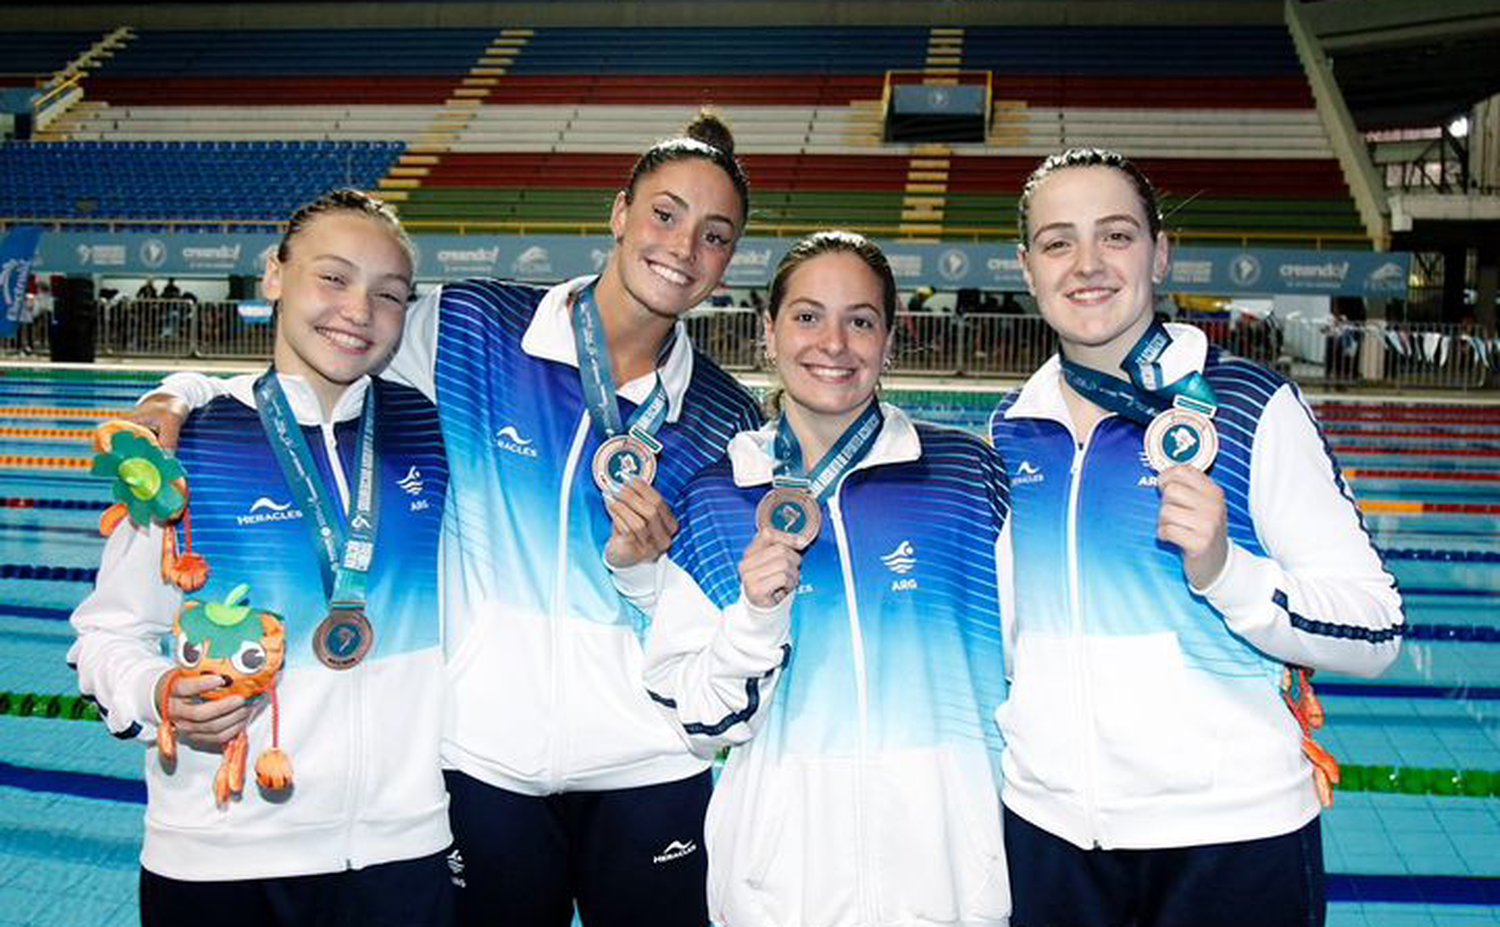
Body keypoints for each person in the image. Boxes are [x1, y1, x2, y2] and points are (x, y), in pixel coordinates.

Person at [134, 113, 763, 927]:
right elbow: (326, 357)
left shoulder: (725, 412)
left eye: (714, 235)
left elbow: (721, 608)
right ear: (619, 213)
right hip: (480, 757)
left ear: (730, 258)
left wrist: (648, 568)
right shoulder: (471, 326)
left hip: (648, 759)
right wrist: (183, 389)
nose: (682, 247)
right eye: (665, 214)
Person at [988, 148, 1405, 927]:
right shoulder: (1013, 426)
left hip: (1232, 840)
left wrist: (1225, 571)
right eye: (1057, 241)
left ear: (1160, 251)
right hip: (1050, 836)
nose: (1087, 264)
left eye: (1115, 235)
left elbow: (1375, 625)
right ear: (1026, 265)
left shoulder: (1247, 404)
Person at [604, 231, 1013, 927]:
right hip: (779, 894)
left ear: (890, 340)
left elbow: (1030, 669)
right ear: (769, 333)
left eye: (860, 319)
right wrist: (755, 619)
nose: (834, 342)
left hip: (951, 887)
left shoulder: (967, 477)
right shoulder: (716, 497)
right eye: (806, 316)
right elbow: (700, 721)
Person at [70, 189, 454, 926]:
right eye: (333, 278)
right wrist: (155, 693)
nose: (359, 310)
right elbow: (106, 634)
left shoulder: (432, 434)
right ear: (274, 274)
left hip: (403, 851)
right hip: (220, 854)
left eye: (389, 294)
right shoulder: (185, 444)